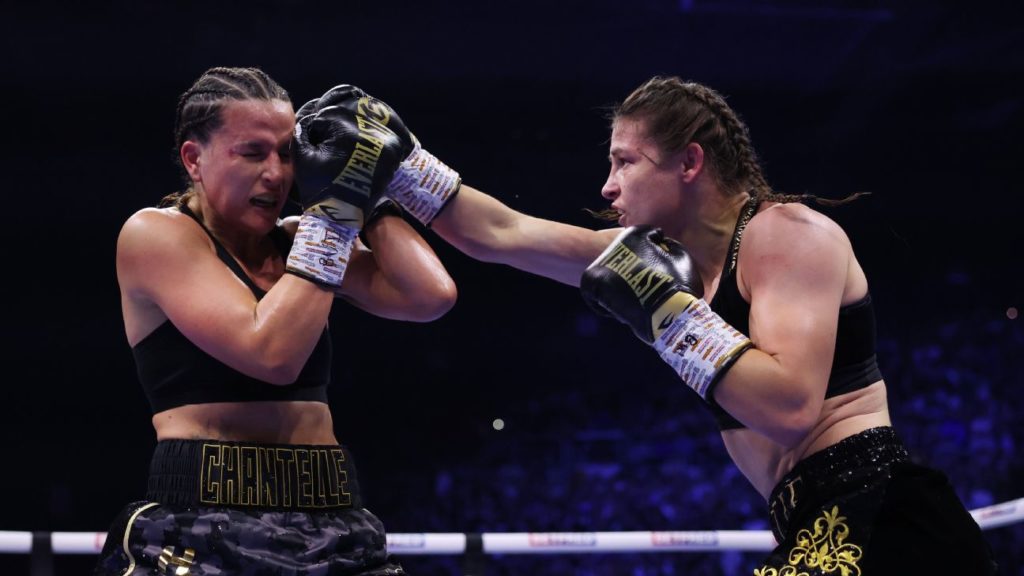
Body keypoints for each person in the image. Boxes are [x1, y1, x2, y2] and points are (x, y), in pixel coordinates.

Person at [298, 76, 998, 574]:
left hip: (882, 515)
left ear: (690, 162)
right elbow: (503, 233)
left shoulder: (788, 234)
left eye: (625, 161)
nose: (608, 185)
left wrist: (666, 313)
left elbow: (789, 408)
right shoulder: (659, 261)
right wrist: (402, 162)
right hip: (810, 517)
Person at [94, 67, 457, 575]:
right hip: (206, 520)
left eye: (288, 153)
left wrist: (364, 193)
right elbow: (273, 355)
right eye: (252, 152)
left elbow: (429, 295)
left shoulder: (299, 239)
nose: (276, 173)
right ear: (194, 159)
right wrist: (334, 214)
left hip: (333, 515)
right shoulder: (156, 234)